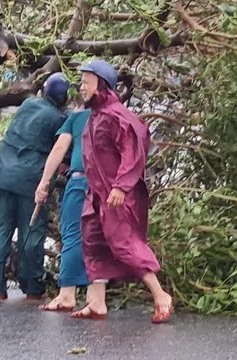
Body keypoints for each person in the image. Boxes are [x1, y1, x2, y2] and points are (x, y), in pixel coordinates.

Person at [70, 59, 173, 323]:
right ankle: (97, 302)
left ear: (101, 85)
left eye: (86, 83)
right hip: (96, 195)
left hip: (116, 195)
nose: (81, 88)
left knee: (123, 243)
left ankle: (161, 295)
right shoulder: (95, 116)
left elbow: (133, 152)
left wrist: (121, 186)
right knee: (92, 242)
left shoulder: (118, 116)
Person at [0, 73, 70, 301]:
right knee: (31, 233)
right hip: (31, 181)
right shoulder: (59, 119)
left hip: (3, 174)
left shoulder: (27, 104)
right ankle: (32, 288)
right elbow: (65, 150)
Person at [34, 106, 91, 312]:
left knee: (72, 235)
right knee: (96, 237)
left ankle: (67, 294)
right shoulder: (115, 115)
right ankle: (94, 297)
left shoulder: (77, 117)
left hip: (80, 180)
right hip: (105, 184)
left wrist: (44, 182)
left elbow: (59, 148)